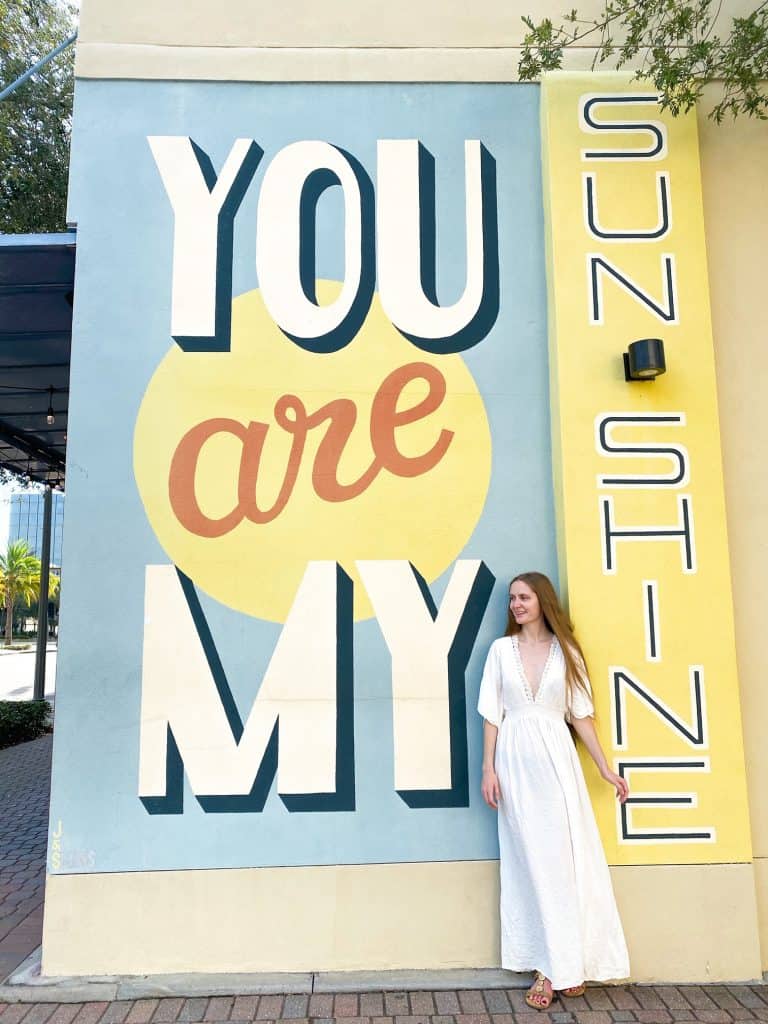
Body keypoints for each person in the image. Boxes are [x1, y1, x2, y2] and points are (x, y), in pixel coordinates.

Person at [478, 571, 630, 1009]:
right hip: (515, 765)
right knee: (532, 865)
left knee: (564, 864)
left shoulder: (567, 653)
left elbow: (580, 715)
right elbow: (492, 713)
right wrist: (488, 768)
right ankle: (547, 967)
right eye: (512, 599)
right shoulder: (500, 651)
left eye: (523, 597)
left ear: (543, 600)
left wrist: (604, 767)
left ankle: (564, 963)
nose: (516, 605)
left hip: (558, 766)